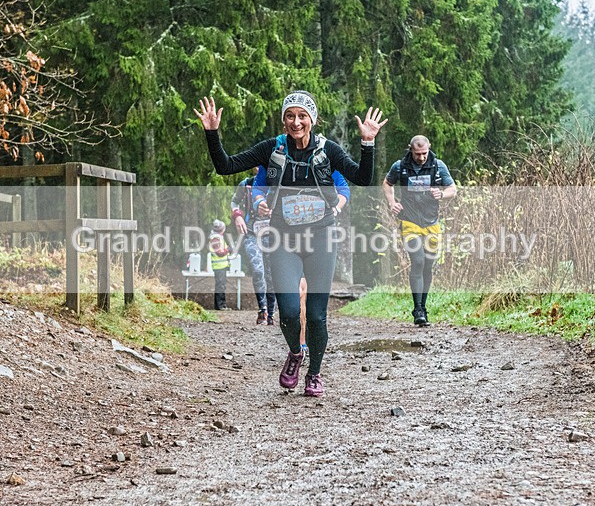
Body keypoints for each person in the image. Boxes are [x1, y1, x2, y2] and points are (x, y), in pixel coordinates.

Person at [195, 91, 387, 397]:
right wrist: (212, 133)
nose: (295, 122)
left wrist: (368, 143)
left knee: (316, 314)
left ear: (312, 119)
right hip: (283, 239)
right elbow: (226, 166)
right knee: (286, 311)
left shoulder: (328, 150)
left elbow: (362, 178)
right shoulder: (273, 148)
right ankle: (296, 353)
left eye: (302, 116)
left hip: (321, 239)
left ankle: (314, 373)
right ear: (283, 119)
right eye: (289, 115)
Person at [251, 165, 351, 351]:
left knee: (304, 292)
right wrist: (259, 202)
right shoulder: (278, 157)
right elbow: (258, 187)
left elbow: (343, 188)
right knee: (293, 297)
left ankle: (302, 343)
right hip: (284, 238)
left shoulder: (322, 158)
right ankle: (296, 345)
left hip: (317, 238)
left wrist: (336, 208)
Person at [382, 135, 457, 327]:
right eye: (418, 154)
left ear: (429, 148)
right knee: (418, 260)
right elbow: (387, 183)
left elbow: (453, 189)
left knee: (428, 265)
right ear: (411, 150)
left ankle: (423, 307)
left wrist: (441, 194)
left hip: (432, 222)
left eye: (424, 153)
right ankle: (417, 310)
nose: (422, 157)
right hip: (409, 222)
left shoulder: (438, 165)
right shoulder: (400, 166)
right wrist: (392, 203)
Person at [230, 169, 276, 325]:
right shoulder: (246, 184)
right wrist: (237, 217)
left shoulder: (277, 184)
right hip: (251, 233)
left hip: (273, 235)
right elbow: (234, 201)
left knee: (272, 274)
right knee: (258, 271)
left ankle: (272, 313)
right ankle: (262, 310)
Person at [208, 219, 231, 310]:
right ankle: (220, 306)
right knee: (220, 286)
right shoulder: (215, 238)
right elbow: (219, 253)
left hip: (221, 266)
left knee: (221, 285)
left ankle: (221, 305)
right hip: (219, 266)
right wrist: (228, 249)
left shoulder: (217, 237)